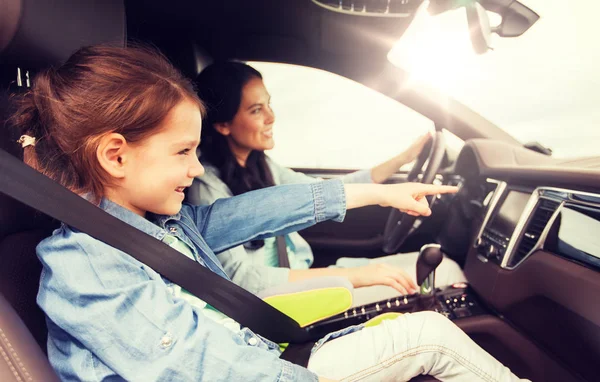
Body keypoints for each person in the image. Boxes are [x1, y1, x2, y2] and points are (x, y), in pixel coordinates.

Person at [12, 44, 527, 381]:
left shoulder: (163, 226)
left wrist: (374, 193)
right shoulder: (89, 263)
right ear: (115, 155)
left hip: (258, 357)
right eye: (182, 152)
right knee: (428, 338)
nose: (195, 170)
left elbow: (258, 211)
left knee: (414, 334)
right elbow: (187, 365)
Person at [189, 61, 466, 306]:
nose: (271, 117)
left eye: (269, 104)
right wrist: (351, 276)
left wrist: (403, 160)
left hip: (304, 279)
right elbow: (241, 278)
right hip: (280, 302)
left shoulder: (259, 166)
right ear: (223, 125)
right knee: (445, 273)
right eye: (256, 110)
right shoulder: (207, 187)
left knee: (442, 270)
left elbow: (320, 193)